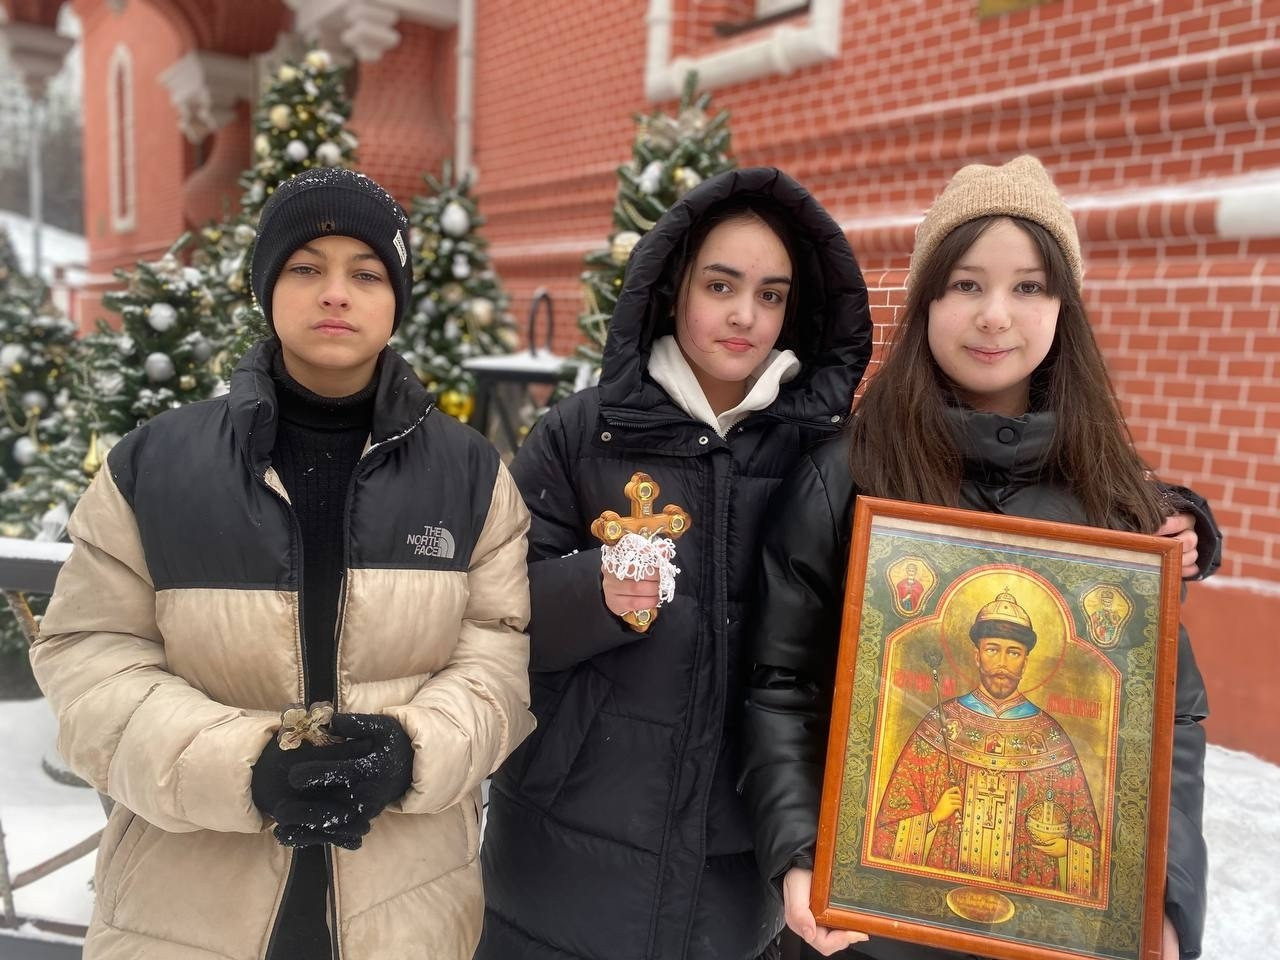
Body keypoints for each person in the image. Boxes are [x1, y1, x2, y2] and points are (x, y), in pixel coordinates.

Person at [30, 167, 535, 960]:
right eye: (305, 267)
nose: (335, 294)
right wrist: (244, 768)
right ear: (267, 287)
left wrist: (411, 751)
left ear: (396, 298)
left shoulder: (470, 476)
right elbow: (88, 660)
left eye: (365, 273)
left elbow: (498, 662)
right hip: (184, 910)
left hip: (408, 909)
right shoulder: (154, 466)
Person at [740, 155, 1216, 959]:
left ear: (1063, 307)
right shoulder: (846, 477)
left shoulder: (1109, 498)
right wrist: (801, 853)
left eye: (1028, 286)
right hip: (863, 935)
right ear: (926, 299)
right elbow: (781, 685)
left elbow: (1163, 719)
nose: (995, 316)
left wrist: (1161, 901)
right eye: (966, 284)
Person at [476, 167, 874, 960]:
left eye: (770, 294)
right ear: (672, 289)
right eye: (720, 285)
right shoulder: (583, 434)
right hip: (565, 845)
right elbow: (494, 612)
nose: (744, 315)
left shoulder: (827, 458)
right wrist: (594, 593)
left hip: (734, 861)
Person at [871, 588, 1101, 899]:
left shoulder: (1050, 736)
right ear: (977, 655)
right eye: (992, 649)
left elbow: (1090, 846)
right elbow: (884, 833)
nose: (1002, 663)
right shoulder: (941, 724)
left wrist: (1068, 851)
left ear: (1025, 662)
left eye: (1014, 652)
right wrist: (933, 818)